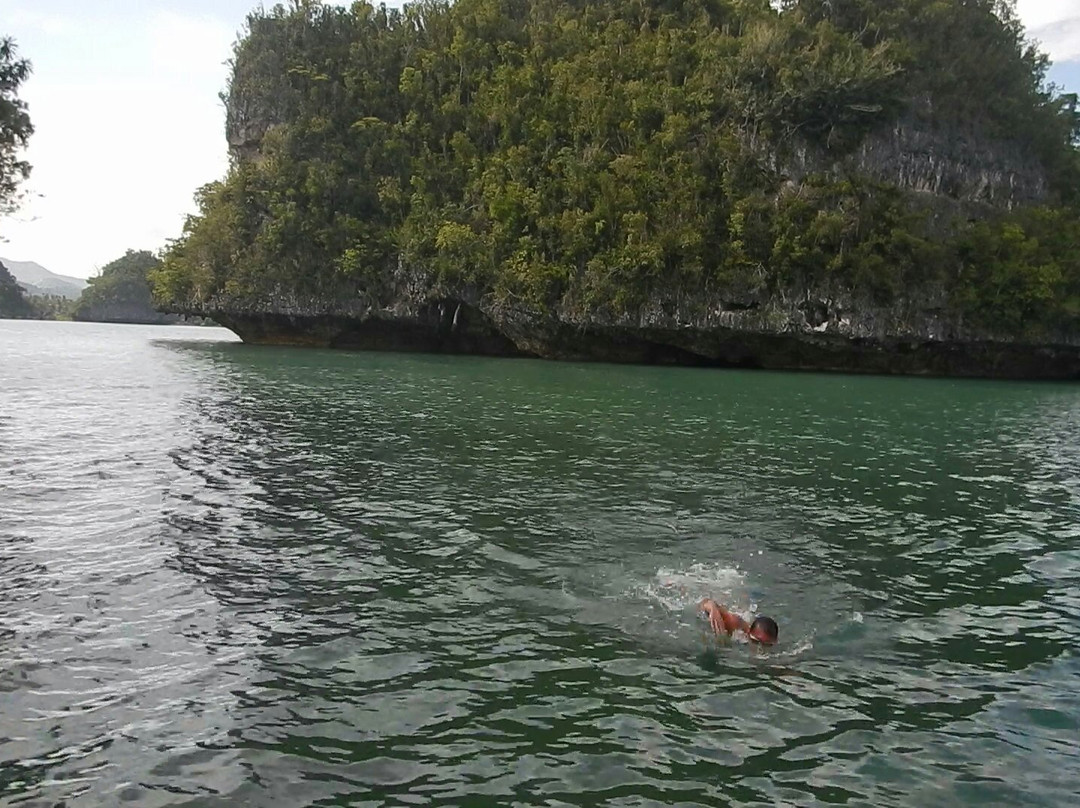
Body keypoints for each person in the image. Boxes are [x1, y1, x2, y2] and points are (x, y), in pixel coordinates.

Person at [699, 598, 778, 645]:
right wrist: (713, 609)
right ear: (748, 633)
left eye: (767, 645)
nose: (760, 648)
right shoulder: (734, 624)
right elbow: (706, 602)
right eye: (756, 642)